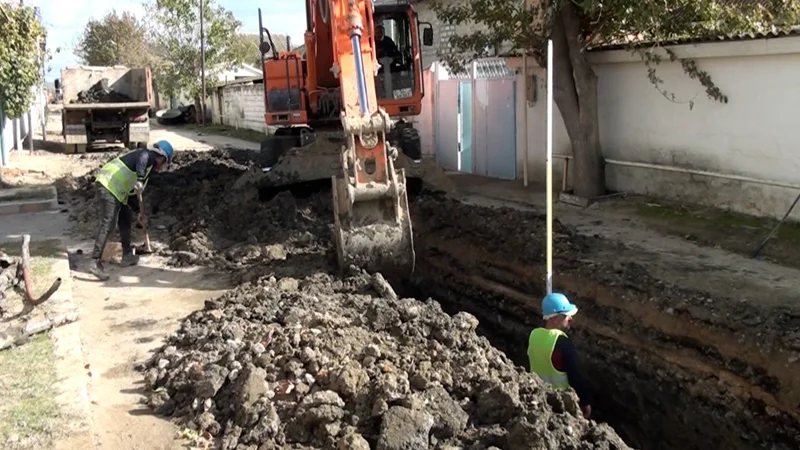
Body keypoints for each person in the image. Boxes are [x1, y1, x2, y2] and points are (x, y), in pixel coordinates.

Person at [88, 140, 174, 281]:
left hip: (119, 192)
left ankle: (127, 255)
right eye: (165, 163)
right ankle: (94, 262)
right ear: (163, 158)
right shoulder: (146, 156)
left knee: (125, 218)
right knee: (108, 223)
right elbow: (142, 158)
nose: (163, 167)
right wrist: (140, 178)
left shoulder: (147, 171)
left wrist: (139, 212)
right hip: (107, 184)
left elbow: (134, 195)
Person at [527, 292, 592, 418]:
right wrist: (585, 401)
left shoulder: (533, 335)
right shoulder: (562, 342)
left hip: (537, 398)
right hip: (560, 404)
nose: (570, 319)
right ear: (554, 318)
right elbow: (575, 376)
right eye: (566, 316)